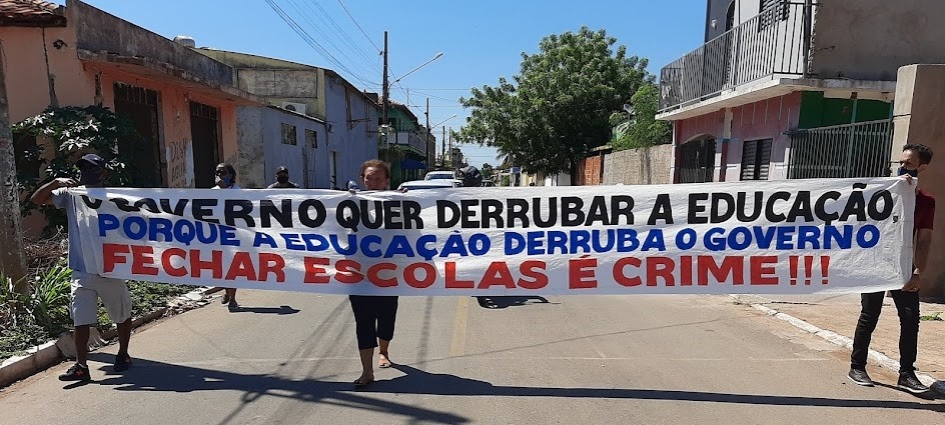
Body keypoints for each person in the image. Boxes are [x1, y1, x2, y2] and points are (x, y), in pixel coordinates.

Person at [31, 154, 133, 381]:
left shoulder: (116, 197)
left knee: (121, 314)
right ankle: (81, 366)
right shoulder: (71, 196)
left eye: (92, 168)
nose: (86, 172)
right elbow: (37, 200)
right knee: (81, 319)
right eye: (83, 168)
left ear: (103, 173)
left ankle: (123, 354)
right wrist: (56, 182)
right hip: (82, 270)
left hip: (111, 270)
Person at [848, 143, 934, 394]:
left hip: (904, 266)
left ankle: (906, 374)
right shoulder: (882, 193)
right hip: (876, 264)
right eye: (901, 162)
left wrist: (919, 272)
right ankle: (857, 366)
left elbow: (925, 238)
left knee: (910, 319)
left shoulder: (926, 202)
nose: (902, 167)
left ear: (922, 167)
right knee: (869, 314)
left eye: (908, 163)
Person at [349, 159, 398, 387]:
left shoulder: (398, 205)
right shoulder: (350, 204)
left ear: (387, 181)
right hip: (359, 274)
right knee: (364, 322)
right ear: (362, 179)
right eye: (369, 178)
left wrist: (405, 202)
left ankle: (384, 352)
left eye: (378, 178)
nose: (373, 182)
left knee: (386, 317)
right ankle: (367, 371)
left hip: (390, 274)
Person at [213, 163, 241, 310]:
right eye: (218, 172)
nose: (220, 175)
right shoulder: (212, 191)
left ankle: (233, 298)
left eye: (223, 172)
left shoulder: (237, 191)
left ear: (231, 175)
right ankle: (227, 292)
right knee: (220, 267)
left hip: (233, 236)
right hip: (216, 235)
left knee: (232, 267)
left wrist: (224, 190)